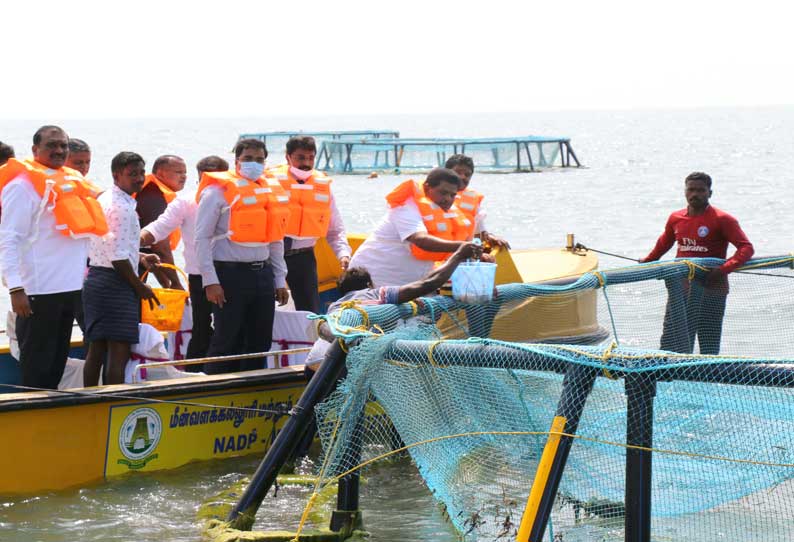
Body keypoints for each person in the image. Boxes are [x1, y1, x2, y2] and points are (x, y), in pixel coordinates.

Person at [0, 126, 106, 389]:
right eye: (51, 145)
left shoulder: (70, 181)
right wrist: (16, 288)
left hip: (69, 289)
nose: (58, 150)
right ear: (35, 149)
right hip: (38, 291)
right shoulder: (23, 186)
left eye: (63, 146)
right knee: (37, 367)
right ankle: (31, 423)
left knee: (56, 365)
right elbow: (9, 239)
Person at [307, 242, 484, 368]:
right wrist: (458, 255)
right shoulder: (377, 294)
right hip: (345, 361)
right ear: (370, 284)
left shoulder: (336, 306)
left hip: (316, 361)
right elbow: (426, 284)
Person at [195, 139, 289, 374]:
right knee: (227, 339)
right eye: (248, 159)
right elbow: (202, 239)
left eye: (259, 159)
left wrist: (279, 280)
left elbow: (276, 240)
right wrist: (210, 281)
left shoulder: (269, 192)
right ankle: (214, 394)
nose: (254, 164)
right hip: (229, 276)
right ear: (236, 161)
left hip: (262, 274)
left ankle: (251, 396)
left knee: (260, 341)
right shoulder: (216, 192)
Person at [640, 171, 754, 355]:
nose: (695, 194)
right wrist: (648, 261)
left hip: (712, 288)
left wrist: (722, 270)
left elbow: (746, 248)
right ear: (685, 192)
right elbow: (664, 243)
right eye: (691, 190)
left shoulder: (722, 219)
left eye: (701, 190)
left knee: (708, 343)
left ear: (710, 193)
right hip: (681, 289)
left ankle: (706, 380)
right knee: (671, 340)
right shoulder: (676, 218)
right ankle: (667, 377)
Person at [140, 155, 229, 362]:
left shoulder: (237, 199)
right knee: (201, 327)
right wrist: (135, 240)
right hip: (200, 275)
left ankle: (226, 367)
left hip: (231, 272)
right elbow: (159, 227)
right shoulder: (186, 201)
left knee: (229, 325)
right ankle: (198, 371)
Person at [83, 152, 159, 386]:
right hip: (115, 282)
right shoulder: (122, 208)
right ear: (117, 176)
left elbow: (113, 247)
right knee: (118, 350)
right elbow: (117, 259)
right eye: (132, 174)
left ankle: (90, 400)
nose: (139, 178)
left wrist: (141, 257)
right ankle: (110, 402)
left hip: (97, 278)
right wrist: (140, 287)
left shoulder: (106, 198)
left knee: (97, 347)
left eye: (141, 173)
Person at [349, 167, 490, 288]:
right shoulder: (406, 208)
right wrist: (464, 247)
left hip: (411, 284)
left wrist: (477, 255)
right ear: (428, 187)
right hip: (373, 280)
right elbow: (420, 240)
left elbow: (454, 247)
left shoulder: (448, 212)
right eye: (443, 192)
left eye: (453, 195)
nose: (448, 198)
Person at [267, 136, 351, 313]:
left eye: (311, 157)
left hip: (303, 258)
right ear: (287, 157)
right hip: (271, 256)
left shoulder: (323, 185)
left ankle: (310, 342)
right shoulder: (270, 181)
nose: (306, 163)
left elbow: (335, 228)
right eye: (300, 157)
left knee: (310, 312)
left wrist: (343, 253)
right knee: (264, 309)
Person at [136, 154, 187, 289]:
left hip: (137, 259)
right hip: (129, 264)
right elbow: (160, 247)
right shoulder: (154, 195)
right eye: (178, 172)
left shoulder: (152, 191)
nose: (184, 176)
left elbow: (153, 249)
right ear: (160, 173)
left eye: (185, 172)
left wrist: (165, 283)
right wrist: (176, 283)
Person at [444, 154, 509, 249]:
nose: (462, 177)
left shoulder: (473, 199)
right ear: (446, 173)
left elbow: (480, 231)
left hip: (463, 253)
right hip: (439, 254)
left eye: (467, 174)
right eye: (458, 172)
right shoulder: (433, 195)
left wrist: (489, 237)